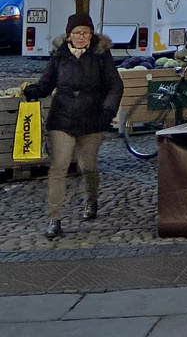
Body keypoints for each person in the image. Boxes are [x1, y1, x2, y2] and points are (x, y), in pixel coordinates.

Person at [23, 13, 123, 239]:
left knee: (87, 167)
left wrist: (108, 111)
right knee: (58, 166)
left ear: (91, 34)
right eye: (77, 32)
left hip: (92, 117)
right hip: (62, 117)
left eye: (86, 32)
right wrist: (34, 90)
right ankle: (54, 218)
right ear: (69, 35)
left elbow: (115, 85)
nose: (81, 37)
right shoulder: (60, 54)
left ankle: (92, 200)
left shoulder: (101, 55)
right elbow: (47, 83)